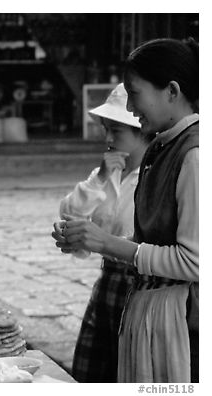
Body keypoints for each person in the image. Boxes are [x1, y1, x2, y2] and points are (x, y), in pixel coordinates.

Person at [52, 38, 198, 382]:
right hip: (145, 305)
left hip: (174, 314)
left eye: (135, 94)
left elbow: (194, 261)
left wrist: (107, 244)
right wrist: (87, 238)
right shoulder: (163, 149)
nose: (132, 106)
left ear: (172, 91)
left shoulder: (192, 156)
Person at [60, 83, 153, 382]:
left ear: (141, 129)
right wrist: (99, 178)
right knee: (91, 371)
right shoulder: (108, 172)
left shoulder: (157, 175)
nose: (109, 138)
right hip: (107, 283)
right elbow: (70, 212)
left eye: (117, 130)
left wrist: (101, 241)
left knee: (129, 372)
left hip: (141, 286)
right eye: (106, 129)